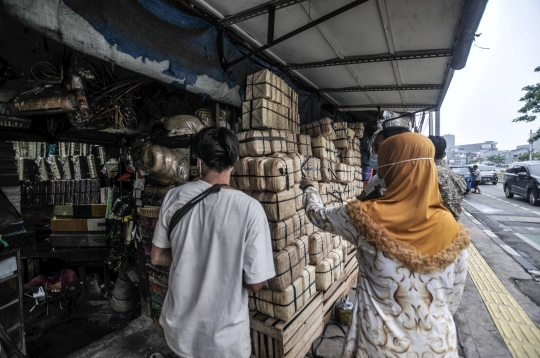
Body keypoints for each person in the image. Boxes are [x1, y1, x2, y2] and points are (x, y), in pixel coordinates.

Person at [300, 132, 469, 357]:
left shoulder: (363, 218)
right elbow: (452, 300)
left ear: (391, 168)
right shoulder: (452, 228)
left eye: (382, 162)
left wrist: (310, 189)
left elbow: (317, 215)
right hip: (438, 345)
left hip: (379, 347)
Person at [151, 127, 275, 358]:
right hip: (225, 340)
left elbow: (157, 257)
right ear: (235, 160)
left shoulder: (174, 197)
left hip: (180, 332)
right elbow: (256, 283)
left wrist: (192, 258)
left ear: (199, 160)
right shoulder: (250, 209)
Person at [359, 126, 411, 200]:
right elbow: (358, 202)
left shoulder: (407, 192)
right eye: (374, 148)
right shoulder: (376, 180)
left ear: (395, 152)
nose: (373, 154)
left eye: (377, 148)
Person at [429, 135, 467, 220]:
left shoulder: (426, 173)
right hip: (452, 223)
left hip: (436, 223)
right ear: (444, 154)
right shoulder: (451, 172)